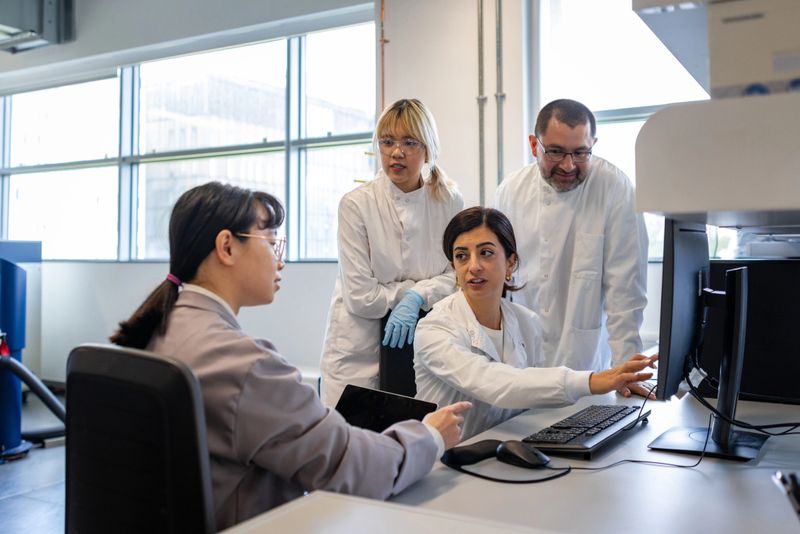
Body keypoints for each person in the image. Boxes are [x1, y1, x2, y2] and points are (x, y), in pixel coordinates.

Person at [109, 182, 471, 531]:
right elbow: (354, 469)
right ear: (227, 247)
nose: (280, 261)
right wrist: (429, 436)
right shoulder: (244, 364)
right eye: (270, 243)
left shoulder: (159, 329)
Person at [414, 207, 655, 439]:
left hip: (503, 455)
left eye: (486, 252)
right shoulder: (435, 329)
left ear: (510, 263)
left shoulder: (526, 321)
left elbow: (534, 395)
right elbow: (493, 383)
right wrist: (593, 381)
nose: (473, 266)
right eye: (461, 256)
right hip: (448, 465)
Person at [495, 98, 650, 398]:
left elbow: (626, 292)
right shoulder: (510, 191)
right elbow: (498, 278)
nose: (568, 165)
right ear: (533, 145)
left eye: (580, 153)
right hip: (519, 362)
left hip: (584, 363)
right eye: (555, 152)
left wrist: (627, 369)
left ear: (593, 143)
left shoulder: (615, 189)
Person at [320, 99, 464, 406]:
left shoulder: (448, 201)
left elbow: (455, 277)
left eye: (409, 142)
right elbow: (361, 296)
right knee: (351, 444)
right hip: (358, 351)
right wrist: (420, 291)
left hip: (424, 341)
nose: (396, 152)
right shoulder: (356, 204)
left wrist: (415, 298)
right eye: (387, 142)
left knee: (418, 440)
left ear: (428, 148)